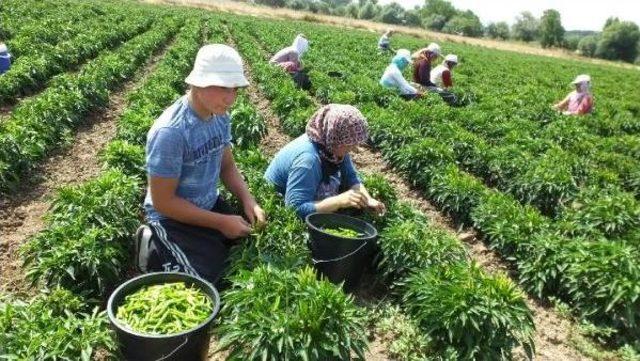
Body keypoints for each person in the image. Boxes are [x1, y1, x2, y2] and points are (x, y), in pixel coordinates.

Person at [135, 44, 266, 287]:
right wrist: (220, 222)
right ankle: (151, 242)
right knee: (204, 282)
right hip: (171, 218)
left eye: (235, 89)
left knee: (248, 249)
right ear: (198, 83)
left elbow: (227, 167)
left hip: (208, 203)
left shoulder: (220, 116)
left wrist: (250, 201)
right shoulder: (171, 132)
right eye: (222, 87)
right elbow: (164, 202)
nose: (230, 98)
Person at [264, 104, 386, 219]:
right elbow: (294, 209)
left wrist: (367, 200)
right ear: (335, 136)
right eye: (350, 144)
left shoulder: (330, 146)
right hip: (278, 204)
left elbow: (351, 177)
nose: (354, 149)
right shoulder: (308, 161)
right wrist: (339, 201)